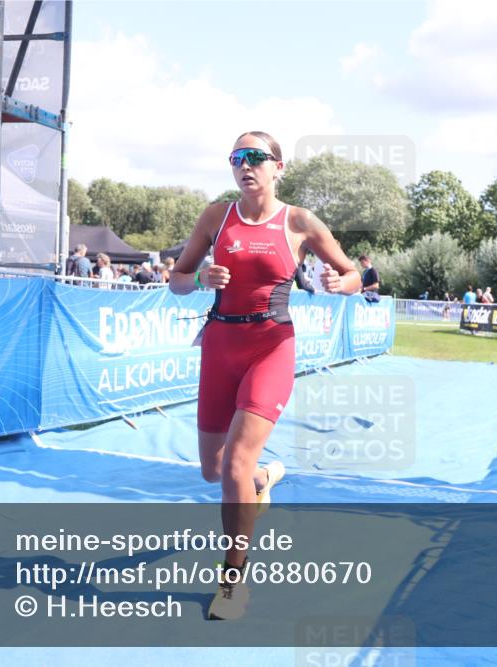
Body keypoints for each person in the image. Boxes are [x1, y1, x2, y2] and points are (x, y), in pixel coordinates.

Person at [169, 131, 361, 620]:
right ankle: (262, 478)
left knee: (232, 464)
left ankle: (233, 583)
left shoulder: (299, 221)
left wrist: (342, 283)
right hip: (219, 345)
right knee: (214, 471)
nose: (245, 166)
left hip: (271, 347)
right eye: (237, 158)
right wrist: (198, 278)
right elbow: (176, 281)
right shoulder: (217, 217)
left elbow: (357, 274)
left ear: (279, 167)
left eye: (256, 157)